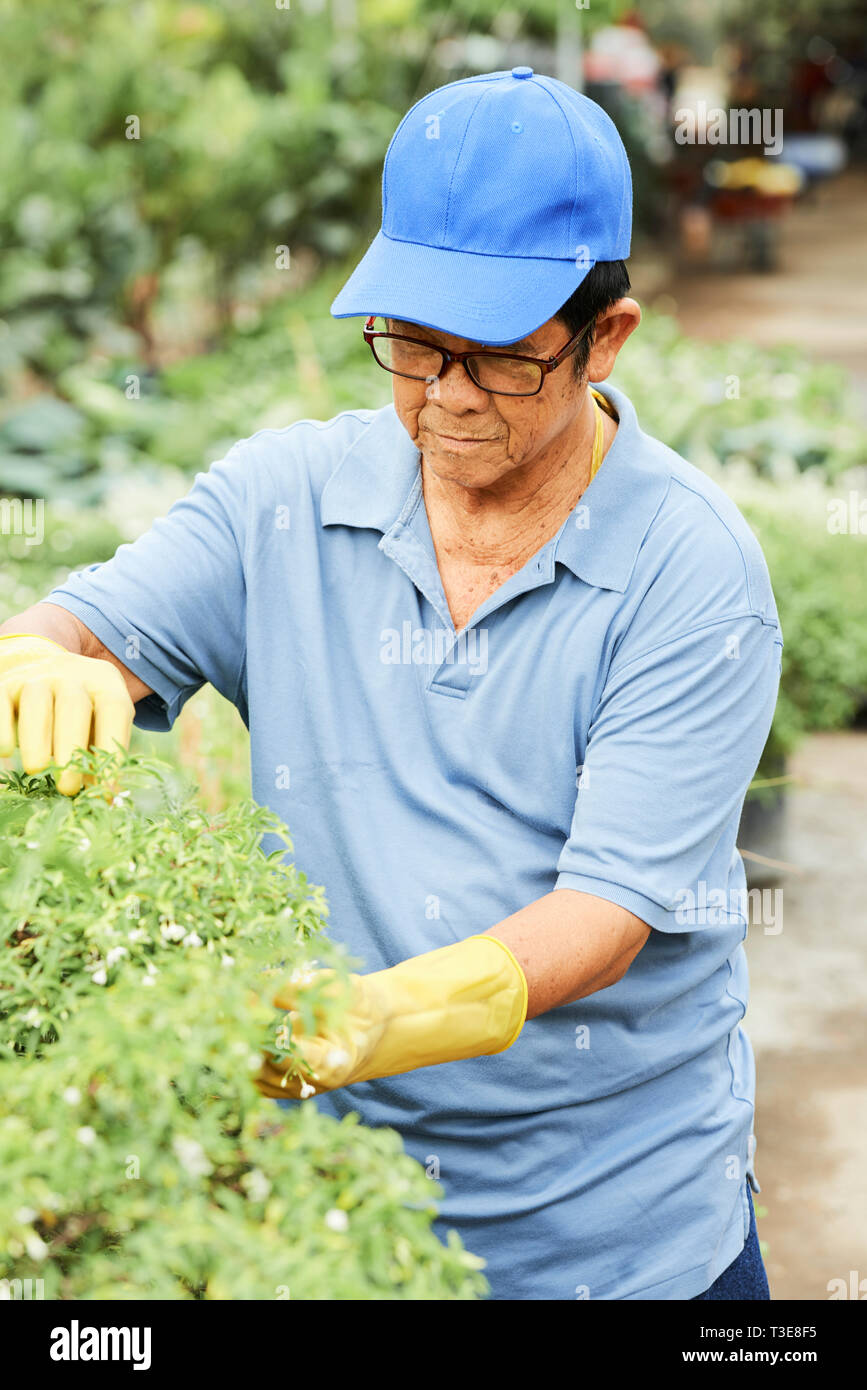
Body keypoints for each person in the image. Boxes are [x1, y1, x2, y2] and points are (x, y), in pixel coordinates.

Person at [0, 68, 782, 1301]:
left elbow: (605, 917)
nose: (447, 398)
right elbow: (73, 630)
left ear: (604, 338)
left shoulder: (690, 572)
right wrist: (39, 663)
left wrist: (372, 1019)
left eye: (500, 361)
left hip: (613, 1242)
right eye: (414, 347)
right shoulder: (284, 499)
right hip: (342, 1231)